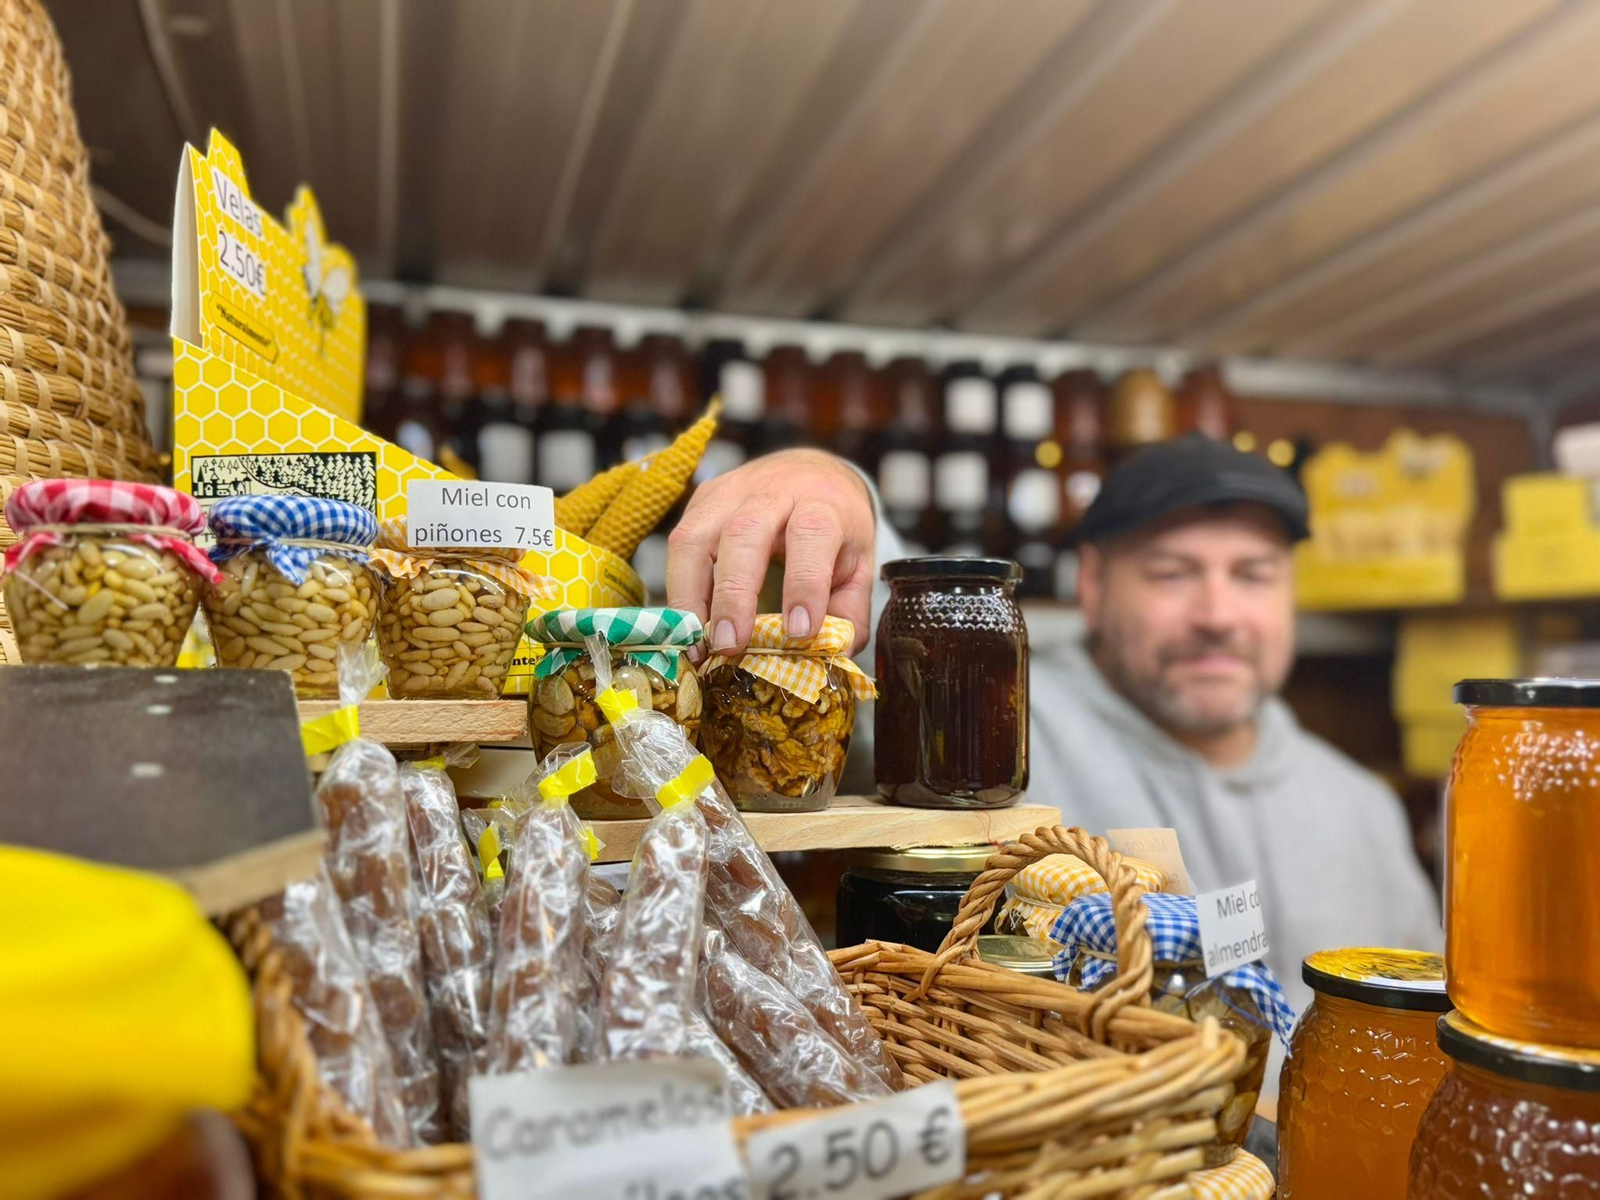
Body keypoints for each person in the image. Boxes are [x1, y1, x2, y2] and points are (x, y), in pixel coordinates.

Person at [667, 435, 1442, 1020]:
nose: (1217, 614)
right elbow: (899, 602)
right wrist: (831, 482)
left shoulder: (1361, 808)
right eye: (1173, 572)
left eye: (1253, 574)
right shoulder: (998, 716)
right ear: (1096, 586)